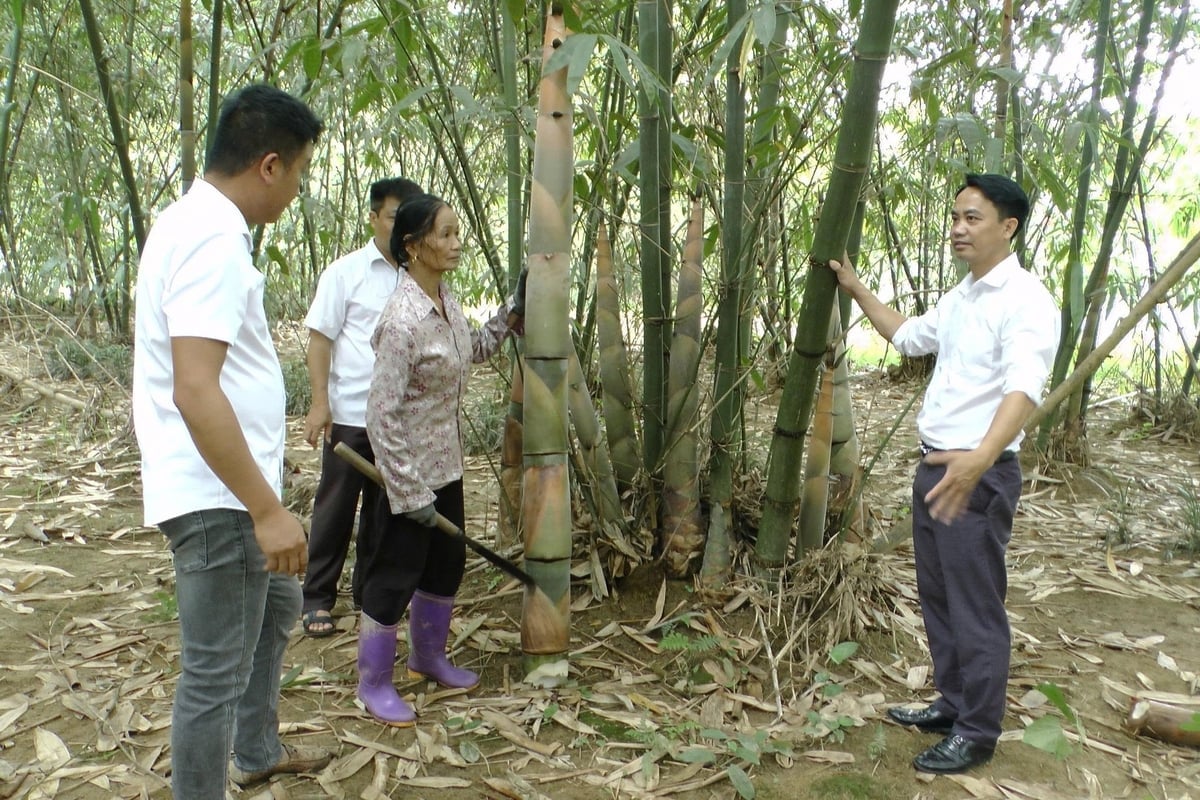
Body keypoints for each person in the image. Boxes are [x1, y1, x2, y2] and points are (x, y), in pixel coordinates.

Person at [132, 84, 332, 797]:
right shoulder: (213, 238)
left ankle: (256, 749)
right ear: (269, 166)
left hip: (229, 486)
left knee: (277, 608)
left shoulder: (194, 223)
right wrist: (265, 509)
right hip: (218, 495)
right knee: (213, 672)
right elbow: (195, 387)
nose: (298, 189)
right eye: (300, 171)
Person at [830, 174, 1059, 774]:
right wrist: (855, 286)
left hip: (977, 474)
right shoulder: (964, 296)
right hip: (936, 467)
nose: (958, 228)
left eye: (972, 218)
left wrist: (979, 459)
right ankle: (953, 704)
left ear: (1008, 227)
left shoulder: (1026, 300)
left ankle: (977, 732)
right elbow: (907, 337)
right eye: (955, 217)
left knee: (975, 604)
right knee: (939, 596)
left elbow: (1024, 388)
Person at [356, 193, 525, 726]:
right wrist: (407, 493)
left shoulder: (445, 300)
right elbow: (380, 414)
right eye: (445, 234)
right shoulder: (402, 320)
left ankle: (428, 657)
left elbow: (473, 349)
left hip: (446, 467)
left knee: (444, 568)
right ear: (413, 246)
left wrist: (511, 314)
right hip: (405, 479)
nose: (456, 244)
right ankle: (374, 683)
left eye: (457, 233)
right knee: (394, 576)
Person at [299, 177, 424, 637]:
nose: (402, 229)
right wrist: (320, 403)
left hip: (400, 420)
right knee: (335, 506)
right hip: (351, 413)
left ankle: (370, 596)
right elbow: (320, 340)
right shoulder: (345, 273)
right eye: (393, 217)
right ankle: (317, 598)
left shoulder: (419, 278)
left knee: (385, 511)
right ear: (373, 218)